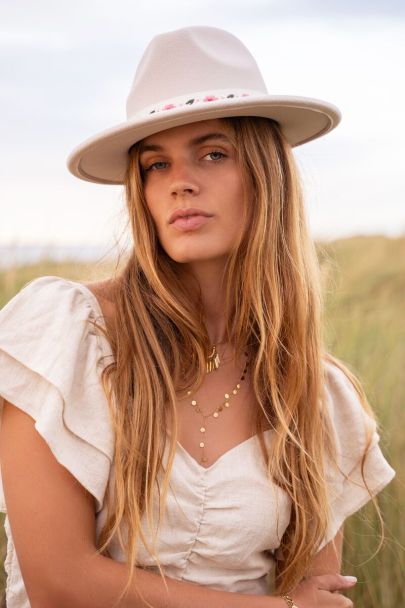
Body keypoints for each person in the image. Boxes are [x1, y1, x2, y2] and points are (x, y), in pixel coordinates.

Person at [0, 25, 395, 608]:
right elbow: (59, 582)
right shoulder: (69, 334)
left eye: (213, 153)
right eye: (156, 165)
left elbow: (316, 591)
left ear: (267, 176)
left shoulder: (312, 393)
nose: (180, 183)